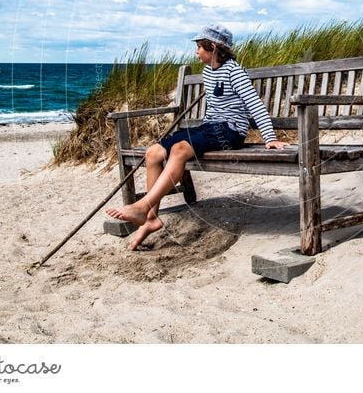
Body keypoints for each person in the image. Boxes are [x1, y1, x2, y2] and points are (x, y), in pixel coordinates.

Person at [105, 24, 288, 250]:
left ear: (213, 47)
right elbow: (213, 106)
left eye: (199, 47)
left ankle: (143, 206)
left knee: (179, 149)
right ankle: (151, 219)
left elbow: (255, 104)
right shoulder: (208, 71)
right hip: (210, 126)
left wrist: (269, 137)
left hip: (230, 131)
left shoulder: (234, 71)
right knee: (153, 152)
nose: (196, 52)